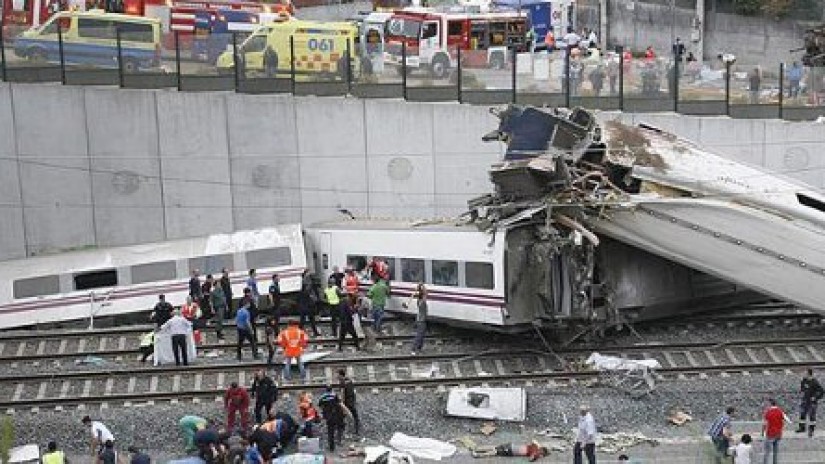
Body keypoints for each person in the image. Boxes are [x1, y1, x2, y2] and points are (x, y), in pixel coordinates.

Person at [317, 386, 348, 452]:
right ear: (331, 390)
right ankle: (339, 440)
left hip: (328, 417)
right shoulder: (334, 395)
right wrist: (346, 412)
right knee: (340, 427)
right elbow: (340, 404)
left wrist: (323, 413)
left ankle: (331, 448)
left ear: (325, 390)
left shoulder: (322, 397)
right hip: (336, 415)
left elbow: (320, 406)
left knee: (330, 431)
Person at [797, 368, 824, 436]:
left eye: (804, 373)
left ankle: (811, 430)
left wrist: (815, 397)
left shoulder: (815, 382)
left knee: (812, 416)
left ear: (808, 374)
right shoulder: (804, 380)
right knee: (802, 414)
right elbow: (802, 388)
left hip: (812, 402)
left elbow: (821, 391)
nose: (803, 374)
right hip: (805, 400)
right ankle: (802, 428)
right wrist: (802, 394)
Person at [471, 441, 548, 461]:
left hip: (512, 450)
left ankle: (478, 453)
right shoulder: (535, 449)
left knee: (495, 450)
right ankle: (477, 450)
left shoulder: (535, 453)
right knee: (495, 449)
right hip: (512, 448)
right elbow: (533, 440)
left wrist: (535, 455)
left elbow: (530, 459)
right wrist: (536, 452)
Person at [337, 368, 360, 435]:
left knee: (342, 416)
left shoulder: (342, 382)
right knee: (355, 416)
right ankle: (356, 431)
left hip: (347, 402)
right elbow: (354, 391)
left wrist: (342, 404)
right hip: (352, 401)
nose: (337, 376)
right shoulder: (350, 380)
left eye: (338, 375)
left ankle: (343, 432)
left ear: (341, 375)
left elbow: (342, 393)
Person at [762, 398, 784, 464]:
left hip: (770, 433)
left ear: (770, 403)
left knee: (767, 452)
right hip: (778, 433)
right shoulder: (780, 411)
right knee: (775, 452)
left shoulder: (768, 412)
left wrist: (762, 432)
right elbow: (784, 421)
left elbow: (765, 423)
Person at [298, 270, 321, 336]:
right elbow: (309, 292)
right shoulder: (307, 283)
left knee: (305, 320)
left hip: (306, 305)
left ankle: (314, 332)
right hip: (306, 305)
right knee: (307, 319)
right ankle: (314, 332)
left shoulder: (305, 284)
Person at [409, 283, 428, 355]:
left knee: (421, 335)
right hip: (421, 321)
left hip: (420, 320)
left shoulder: (419, 301)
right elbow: (425, 293)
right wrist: (421, 287)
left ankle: (419, 348)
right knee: (419, 336)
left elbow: (423, 293)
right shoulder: (422, 302)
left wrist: (418, 288)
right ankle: (413, 349)